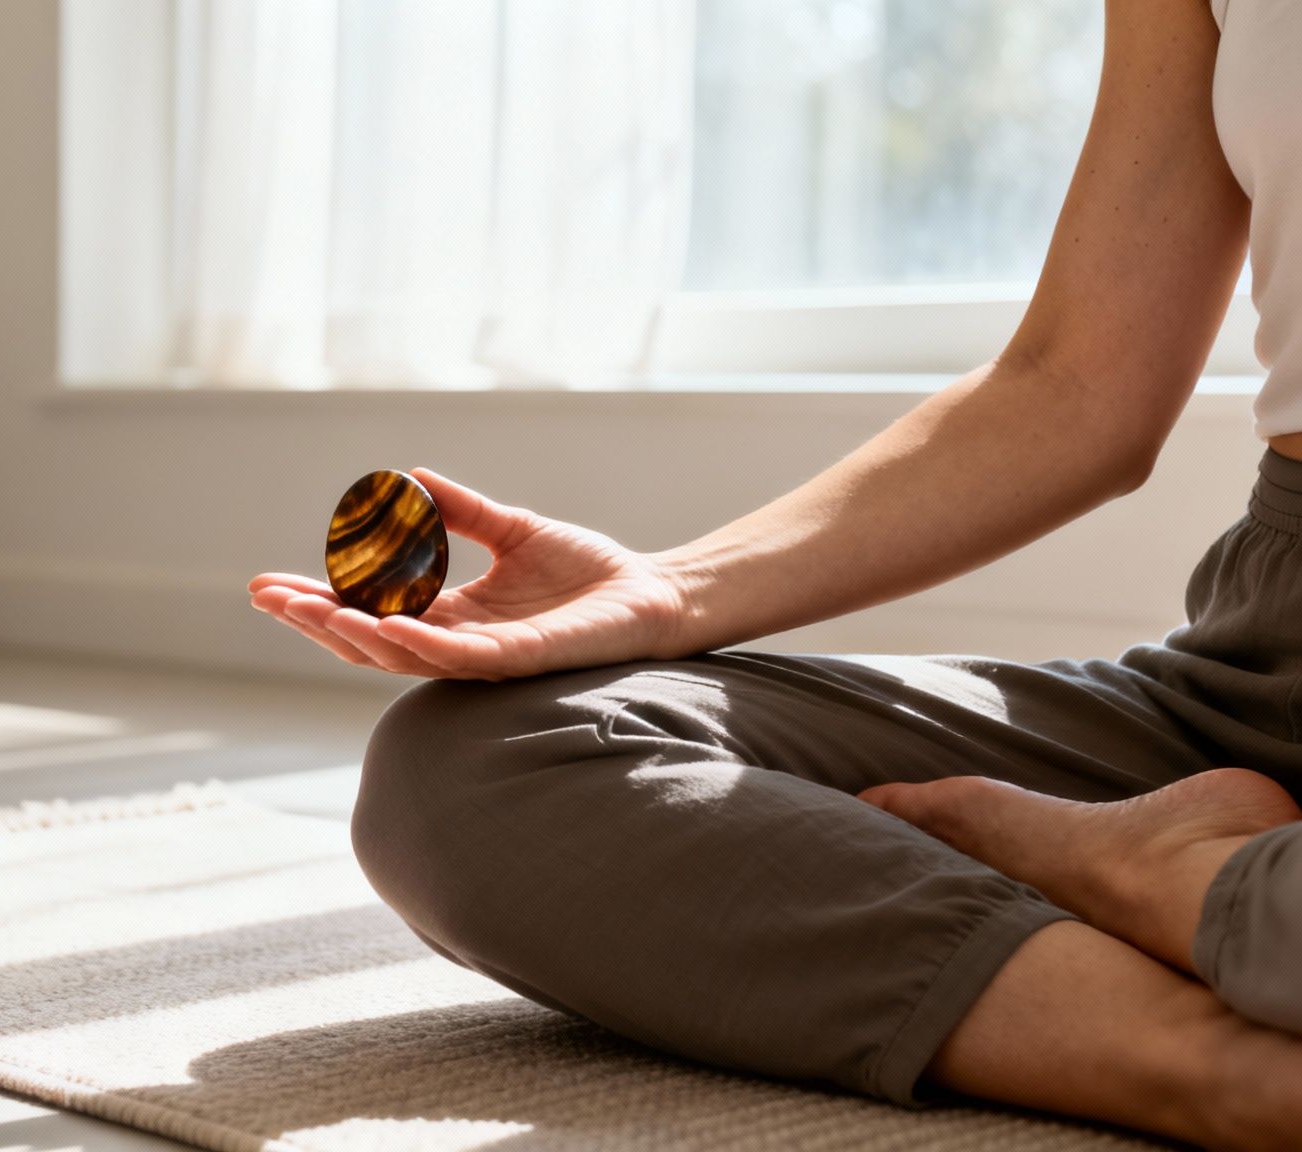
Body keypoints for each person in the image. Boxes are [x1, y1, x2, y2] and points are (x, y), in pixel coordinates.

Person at [248, 1, 1302, 1146]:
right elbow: (1072, 385)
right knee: (474, 766)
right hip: (1259, 681)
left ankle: (1189, 889)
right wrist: (672, 593)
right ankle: (1211, 1066)